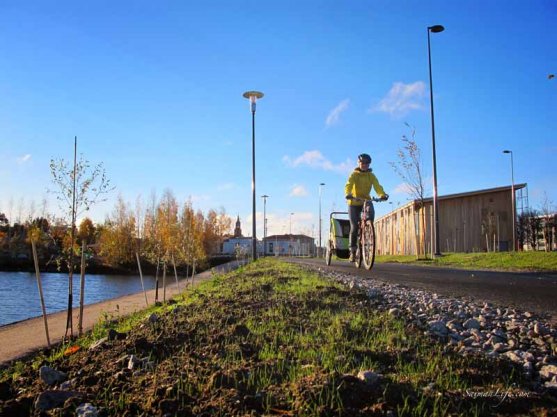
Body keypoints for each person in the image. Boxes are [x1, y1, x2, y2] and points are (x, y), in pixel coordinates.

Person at [345, 153, 388, 261]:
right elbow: (349, 184)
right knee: (354, 226)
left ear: (369, 164)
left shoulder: (371, 176)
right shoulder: (354, 175)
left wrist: (382, 195)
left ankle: (368, 229)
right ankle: (353, 251)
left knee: (370, 215)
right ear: (358, 163)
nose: (364, 164)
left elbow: (377, 186)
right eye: (362, 162)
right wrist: (348, 194)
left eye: (366, 163)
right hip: (354, 202)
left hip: (366, 200)